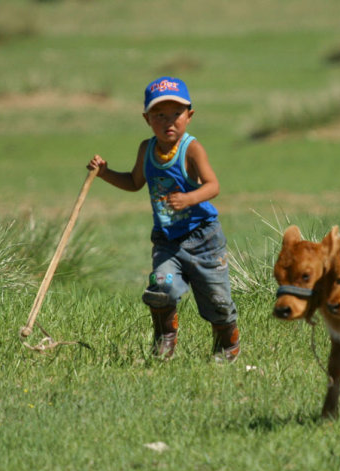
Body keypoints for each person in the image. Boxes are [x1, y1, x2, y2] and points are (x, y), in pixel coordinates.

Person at [86, 76, 240, 362]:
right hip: (167, 240)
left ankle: (227, 343)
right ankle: (165, 337)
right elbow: (134, 182)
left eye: (176, 114)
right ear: (147, 118)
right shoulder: (146, 150)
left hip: (203, 238)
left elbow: (213, 185)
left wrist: (189, 198)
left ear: (189, 116)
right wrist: (105, 173)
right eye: (159, 115)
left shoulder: (191, 149)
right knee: (161, 286)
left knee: (217, 301)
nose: (169, 122)